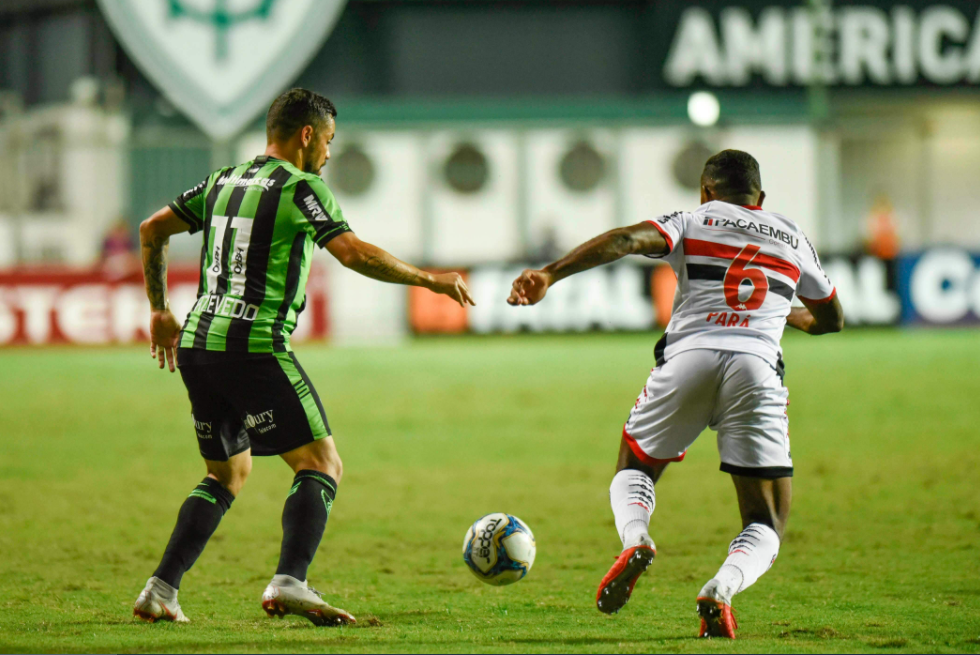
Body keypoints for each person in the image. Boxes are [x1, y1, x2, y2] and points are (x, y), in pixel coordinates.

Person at [134, 88, 475, 626]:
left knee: (225, 474)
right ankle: (290, 580)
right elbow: (353, 252)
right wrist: (428, 279)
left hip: (199, 344)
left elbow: (152, 229)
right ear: (307, 135)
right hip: (252, 344)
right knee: (321, 463)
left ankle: (160, 590)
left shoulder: (223, 180)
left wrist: (159, 310)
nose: (330, 155)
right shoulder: (301, 187)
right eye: (330, 142)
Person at [507, 150, 843, 639]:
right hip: (757, 368)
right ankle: (721, 588)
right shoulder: (792, 235)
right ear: (760, 198)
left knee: (636, 464)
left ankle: (637, 538)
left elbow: (624, 240)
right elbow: (832, 319)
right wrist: (786, 315)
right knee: (765, 519)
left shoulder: (691, 220)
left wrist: (551, 273)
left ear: (706, 191)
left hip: (689, 359)